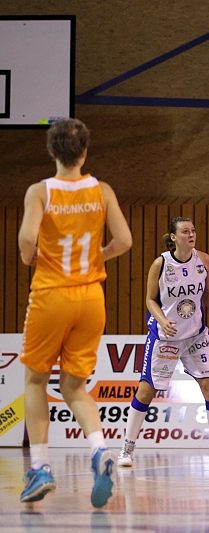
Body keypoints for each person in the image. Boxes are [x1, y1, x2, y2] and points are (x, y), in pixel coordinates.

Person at [17, 118, 132, 506]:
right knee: (74, 386)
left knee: (35, 381)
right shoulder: (102, 190)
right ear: (84, 151)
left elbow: (28, 237)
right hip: (91, 298)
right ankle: (99, 450)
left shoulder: (41, 191)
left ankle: (40, 467)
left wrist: (28, 256)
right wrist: (98, 257)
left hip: (52, 294)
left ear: (52, 150)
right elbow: (124, 240)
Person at [117, 217, 209, 468]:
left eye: (193, 231)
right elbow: (150, 300)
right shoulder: (160, 264)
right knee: (146, 391)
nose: (191, 235)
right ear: (173, 237)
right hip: (166, 337)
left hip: (195, 336)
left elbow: (208, 293)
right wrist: (162, 320)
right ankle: (127, 449)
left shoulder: (204, 260)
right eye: (185, 232)